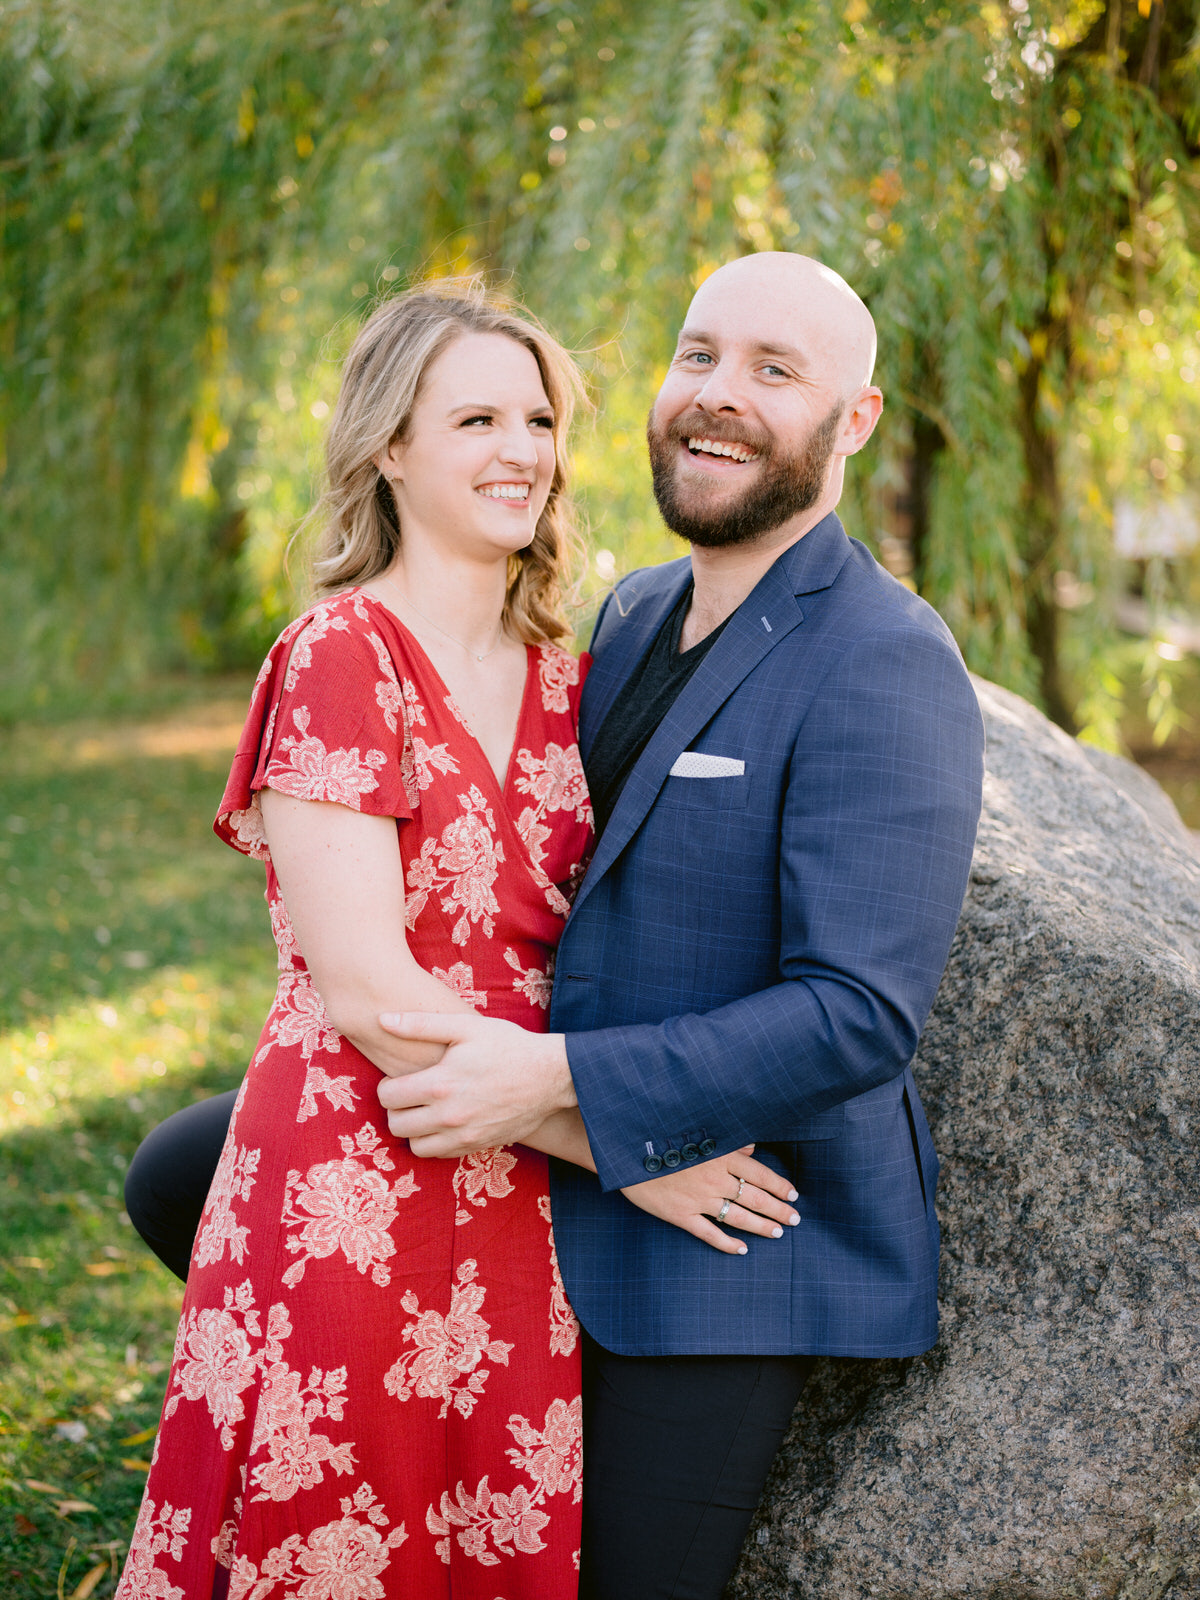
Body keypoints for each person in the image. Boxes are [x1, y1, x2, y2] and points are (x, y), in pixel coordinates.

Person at [125, 252, 985, 1600]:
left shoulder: (879, 655)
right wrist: (588, 1134)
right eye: (698, 355)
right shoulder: (625, 621)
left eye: (776, 370)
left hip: (725, 1215)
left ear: (855, 422)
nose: (720, 395)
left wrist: (586, 1107)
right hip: (523, 1137)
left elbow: (862, 1012)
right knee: (190, 1177)